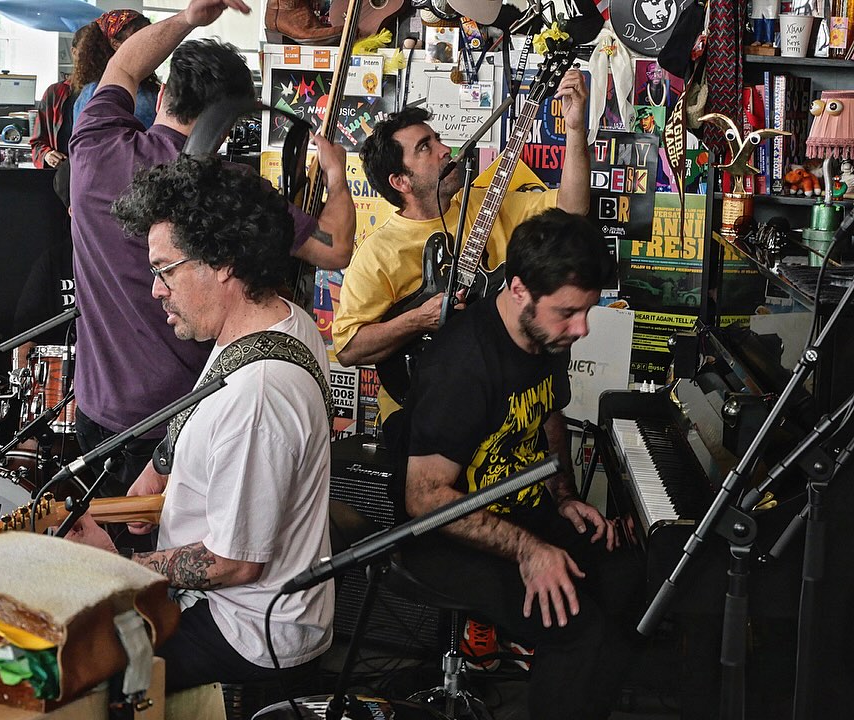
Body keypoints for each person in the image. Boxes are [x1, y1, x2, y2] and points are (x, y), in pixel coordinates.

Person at [66, 154, 334, 693]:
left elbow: (234, 563)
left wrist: (121, 565)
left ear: (223, 263)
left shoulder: (259, 397)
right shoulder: (277, 323)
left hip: (248, 630)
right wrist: (160, 469)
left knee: (73, 666)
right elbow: (198, 425)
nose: (155, 289)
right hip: (231, 601)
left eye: (166, 270)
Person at [68, 0, 353, 505]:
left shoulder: (94, 149)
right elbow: (335, 249)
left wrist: (188, 19)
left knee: (111, 562)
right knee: (178, 561)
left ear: (164, 100)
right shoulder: (226, 189)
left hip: (95, 412)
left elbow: (123, 65)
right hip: (178, 423)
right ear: (226, 124)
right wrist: (335, 175)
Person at [400, 209, 641, 720]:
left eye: (587, 311)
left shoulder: (545, 335)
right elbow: (425, 499)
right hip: (449, 535)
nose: (581, 328)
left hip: (524, 510)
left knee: (628, 578)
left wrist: (565, 498)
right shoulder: (462, 364)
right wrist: (532, 551)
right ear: (517, 290)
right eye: (568, 313)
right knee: (576, 630)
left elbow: (549, 414)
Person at [332, 69, 589, 435]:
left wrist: (576, 130)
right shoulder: (379, 253)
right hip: (418, 404)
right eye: (426, 147)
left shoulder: (487, 202)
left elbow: (572, 212)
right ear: (400, 181)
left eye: (437, 139)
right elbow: (348, 349)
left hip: (499, 393)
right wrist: (418, 319)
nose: (445, 150)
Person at [71, 10, 160, 129]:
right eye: (138, 35)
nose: (148, 42)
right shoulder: (97, 92)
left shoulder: (147, 88)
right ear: (115, 44)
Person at [29, 30, 81, 169]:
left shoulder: (107, 93)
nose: (92, 59)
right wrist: (47, 154)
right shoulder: (55, 94)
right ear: (74, 52)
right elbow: (37, 143)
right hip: (60, 177)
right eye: (85, 52)